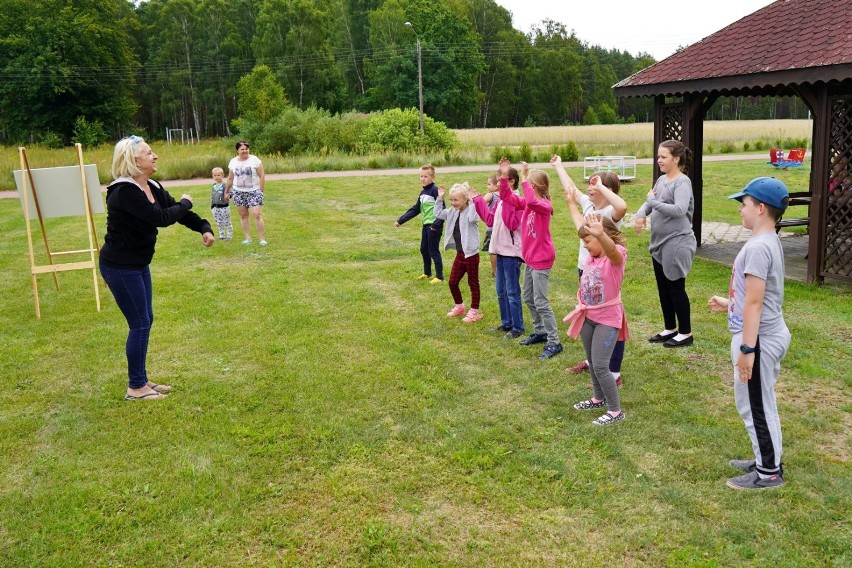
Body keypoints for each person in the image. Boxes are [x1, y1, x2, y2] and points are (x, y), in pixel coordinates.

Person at [99, 136, 214, 401]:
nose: (155, 156)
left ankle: (141, 380)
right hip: (119, 266)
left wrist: (203, 227)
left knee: (145, 320)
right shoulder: (123, 191)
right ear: (134, 161)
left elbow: (177, 212)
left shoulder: (150, 184)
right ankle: (136, 388)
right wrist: (185, 202)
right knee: (139, 323)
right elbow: (160, 217)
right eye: (149, 153)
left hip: (137, 264)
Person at [708, 177, 791, 490]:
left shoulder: (758, 248)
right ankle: (765, 458)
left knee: (754, 404)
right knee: (762, 402)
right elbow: (755, 298)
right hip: (766, 333)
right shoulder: (767, 242)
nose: (740, 210)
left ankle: (769, 471)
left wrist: (747, 350)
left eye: (743, 204)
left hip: (759, 339)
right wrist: (730, 303)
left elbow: (755, 303)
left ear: (760, 207)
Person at [552, 155, 629, 385]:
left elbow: (622, 206)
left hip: (606, 275)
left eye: (594, 186)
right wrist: (558, 166)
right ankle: (592, 360)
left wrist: (602, 187)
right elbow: (572, 190)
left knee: (610, 321)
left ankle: (613, 371)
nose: (589, 189)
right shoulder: (588, 205)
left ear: (606, 190)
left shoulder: (610, 215)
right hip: (586, 268)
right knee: (590, 316)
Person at [564, 214, 628, 425]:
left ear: (602, 237)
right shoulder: (591, 258)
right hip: (588, 317)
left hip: (607, 320)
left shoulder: (615, 257)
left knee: (601, 365)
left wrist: (600, 235)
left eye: (588, 242)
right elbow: (580, 227)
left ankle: (615, 410)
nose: (585, 246)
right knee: (592, 361)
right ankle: (598, 398)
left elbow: (611, 250)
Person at [634, 139, 696, 348]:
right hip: (659, 244)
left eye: (663, 157)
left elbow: (679, 209)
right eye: (658, 156)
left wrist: (652, 202)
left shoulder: (682, 182)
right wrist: (641, 214)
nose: (658, 160)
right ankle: (670, 328)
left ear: (676, 159)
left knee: (675, 287)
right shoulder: (662, 180)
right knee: (663, 288)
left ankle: (686, 333)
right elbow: (649, 202)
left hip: (677, 242)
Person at [498, 158, 562, 359]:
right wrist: (504, 175)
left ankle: (554, 342)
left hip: (542, 259)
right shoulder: (528, 203)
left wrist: (524, 177)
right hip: (531, 259)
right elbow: (506, 196)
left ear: (532, 186)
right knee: (528, 297)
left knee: (541, 301)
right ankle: (540, 332)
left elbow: (533, 201)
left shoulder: (543, 205)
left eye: (528, 183)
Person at [472, 166, 525, 338]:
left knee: (512, 291)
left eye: (503, 179)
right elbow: (489, 220)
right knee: (500, 290)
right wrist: (478, 200)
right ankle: (506, 323)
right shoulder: (502, 201)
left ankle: (517, 327)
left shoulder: (517, 201)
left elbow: (511, 224)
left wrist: (507, 199)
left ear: (512, 181)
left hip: (511, 253)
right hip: (499, 250)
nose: (500, 184)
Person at [435, 183, 482, 323]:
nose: (453, 203)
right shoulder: (451, 212)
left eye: (456, 200)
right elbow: (437, 213)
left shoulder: (470, 211)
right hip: (460, 255)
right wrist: (440, 198)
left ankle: (474, 311)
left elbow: (474, 217)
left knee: (473, 283)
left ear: (465, 199)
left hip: (471, 255)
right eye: (451, 200)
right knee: (452, 282)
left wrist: (474, 202)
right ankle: (460, 306)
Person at [395, 164, 445, 283]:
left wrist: (436, 225)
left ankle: (439, 277)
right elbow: (416, 209)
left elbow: (442, 210)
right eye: (421, 176)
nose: (422, 178)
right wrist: (401, 220)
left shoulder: (434, 190)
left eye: (426, 176)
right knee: (424, 249)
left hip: (434, 226)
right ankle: (427, 273)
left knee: (433, 250)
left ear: (433, 177)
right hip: (426, 225)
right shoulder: (423, 193)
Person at [224, 140, 267, 245]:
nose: (245, 151)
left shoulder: (255, 160)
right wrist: (226, 192)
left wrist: (260, 191)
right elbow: (230, 178)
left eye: (246, 149)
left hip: (254, 191)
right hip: (238, 192)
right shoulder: (233, 162)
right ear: (237, 150)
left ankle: (262, 239)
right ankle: (248, 238)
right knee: (243, 215)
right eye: (242, 149)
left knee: (256, 214)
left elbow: (262, 175)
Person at [480, 175, 500, 277]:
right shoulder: (505, 195)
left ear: (496, 186)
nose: (487, 186)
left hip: (491, 228)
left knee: (493, 251)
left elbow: (481, 203)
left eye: (489, 184)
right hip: (501, 228)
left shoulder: (491, 195)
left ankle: (495, 271)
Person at [210, 166, 233, 240]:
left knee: (226, 221)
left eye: (218, 175)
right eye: (215, 175)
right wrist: (212, 206)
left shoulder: (225, 185)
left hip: (224, 207)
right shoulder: (213, 186)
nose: (217, 177)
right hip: (215, 207)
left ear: (222, 176)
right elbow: (212, 196)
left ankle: (229, 235)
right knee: (219, 221)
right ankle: (221, 235)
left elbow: (231, 193)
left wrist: (228, 195)